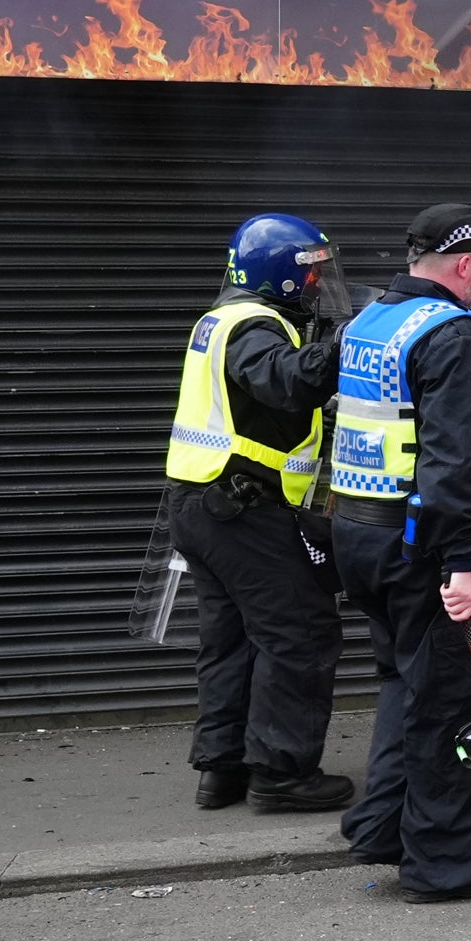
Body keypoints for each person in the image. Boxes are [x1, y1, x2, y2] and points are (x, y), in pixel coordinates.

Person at [331, 204, 471, 903]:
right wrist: (462, 562)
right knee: (454, 698)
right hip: (423, 542)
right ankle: (448, 864)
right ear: (465, 263)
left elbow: (397, 404)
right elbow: (450, 464)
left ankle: (385, 826)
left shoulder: (373, 319)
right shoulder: (451, 335)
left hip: (360, 534)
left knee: (404, 684)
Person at [164, 213, 355, 813]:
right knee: (300, 633)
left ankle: (221, 770)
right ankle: (282, 773)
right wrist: (348, 341)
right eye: (312, 272)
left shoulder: (220, 320)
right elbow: (286, 383)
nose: (320, 284)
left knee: (232, 642)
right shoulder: (254, 323)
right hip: (245, 508)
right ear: (277, 273)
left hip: (206, 506)